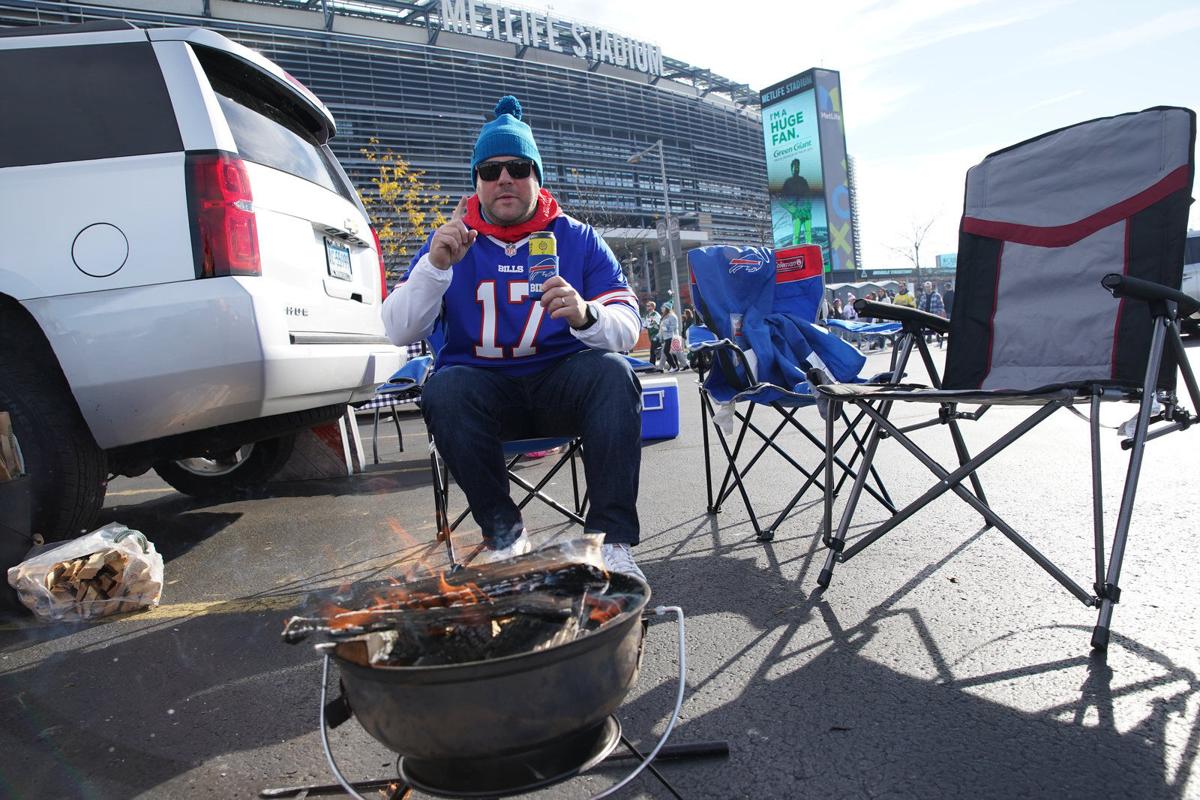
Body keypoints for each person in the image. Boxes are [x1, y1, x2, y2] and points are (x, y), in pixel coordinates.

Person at [381, 95, 645, 580]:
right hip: (483, 393)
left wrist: (588, 316)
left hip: (562, 384)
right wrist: (434, 268)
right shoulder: (450, 240)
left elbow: (629, 328)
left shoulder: (578, 238)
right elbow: (398, 328)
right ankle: (506, 539)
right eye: (490, 169)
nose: (504, 178)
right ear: (477, 182)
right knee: (445, 386)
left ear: (537, 177)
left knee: (614, 373)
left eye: (519, 166)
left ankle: (611, 546)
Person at [779, 158, 813, 245]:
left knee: (808, 234)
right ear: (791, 169)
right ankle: (796, 252)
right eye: (794, 167)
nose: (796, 169)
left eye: (798, 167)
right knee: (796, 235)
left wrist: (808, 208)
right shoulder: (788, 182)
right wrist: (792, 209)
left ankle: (810, 251)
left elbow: (809, 196)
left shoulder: (803, 181)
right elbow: (781, 199)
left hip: (806, 213)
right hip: (796, 213)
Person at [659, 304, 681, 372]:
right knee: (671, 352)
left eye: (663, 307)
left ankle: (674, 366)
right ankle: (676, 367)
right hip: (666, 337)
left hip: (672, 336)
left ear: (667, 308)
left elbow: (674, 327)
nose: (661, 308)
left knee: (666, 351)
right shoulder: (665, 316)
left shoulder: (672, 316)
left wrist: (664, 328)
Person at [643, 300, 662, 365]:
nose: (647, 307)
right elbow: (645, 325)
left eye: (648, 306)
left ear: (653, 307)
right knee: (658, 351)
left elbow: (659, 324)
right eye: (647, 306)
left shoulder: (656, 314)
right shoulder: (647, 315)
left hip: (656, 336)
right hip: (651, 336)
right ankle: (672, 364)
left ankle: (651, 365)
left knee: (653, 351)